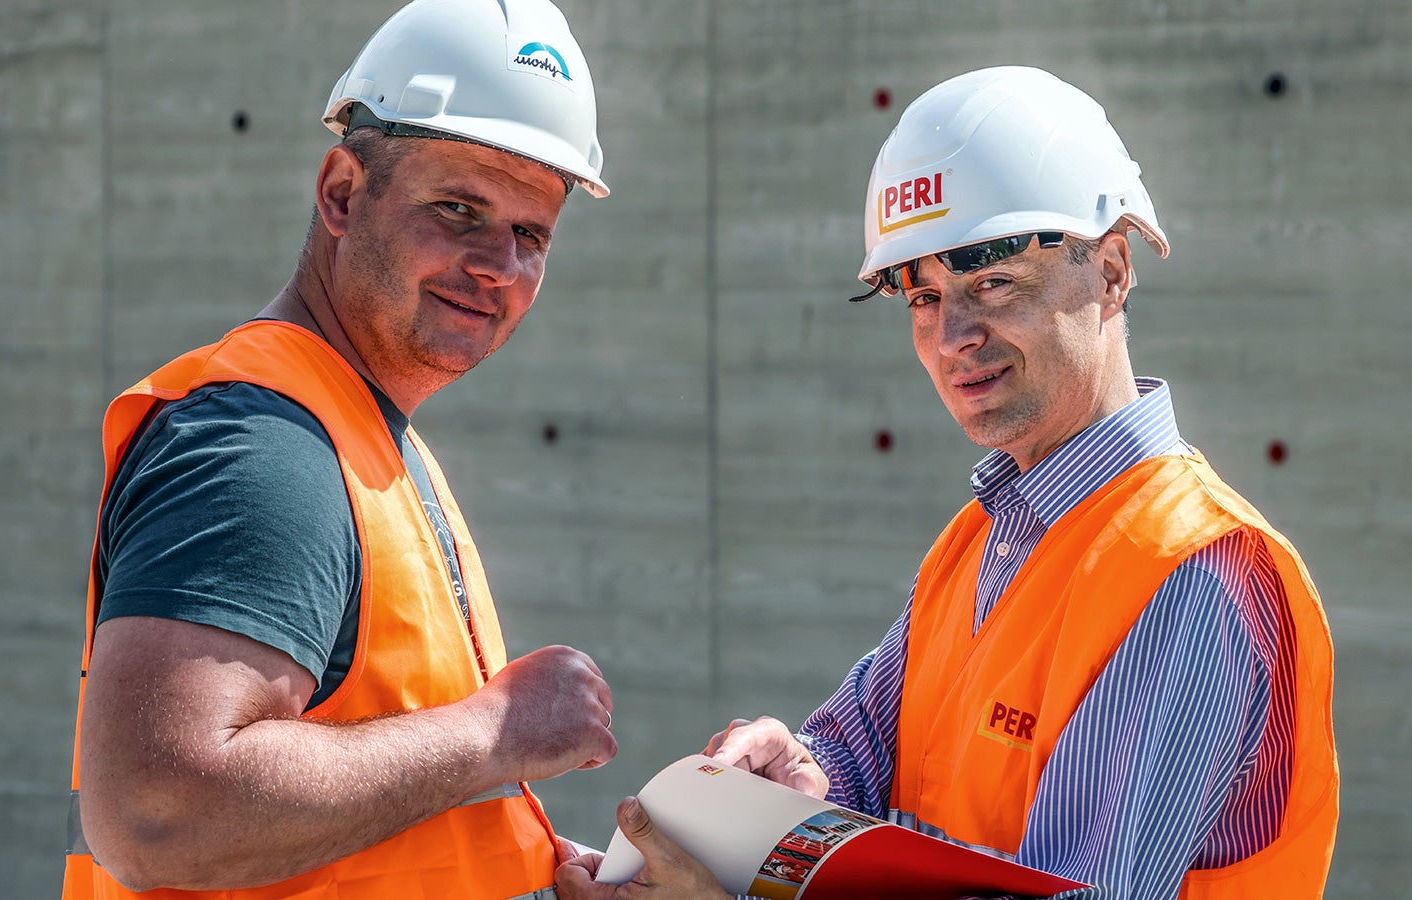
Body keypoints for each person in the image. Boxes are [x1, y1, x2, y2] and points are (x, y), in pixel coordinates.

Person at [557, 67, 1338, 900]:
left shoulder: (1198, 573)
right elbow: (860, 759)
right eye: (921, 297)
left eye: (991, 280)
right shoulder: (982, 538)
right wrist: (801, 786)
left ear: (1111, 271)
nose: (953, 335)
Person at [61, 1, 618, 897]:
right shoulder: (264, 447)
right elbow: (158, 815)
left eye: (530, 234)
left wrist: (521, 863)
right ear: (342, 193)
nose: (498, 266)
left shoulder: (364, 438)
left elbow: (382, 803)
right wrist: (498, 732)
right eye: (459, 208)